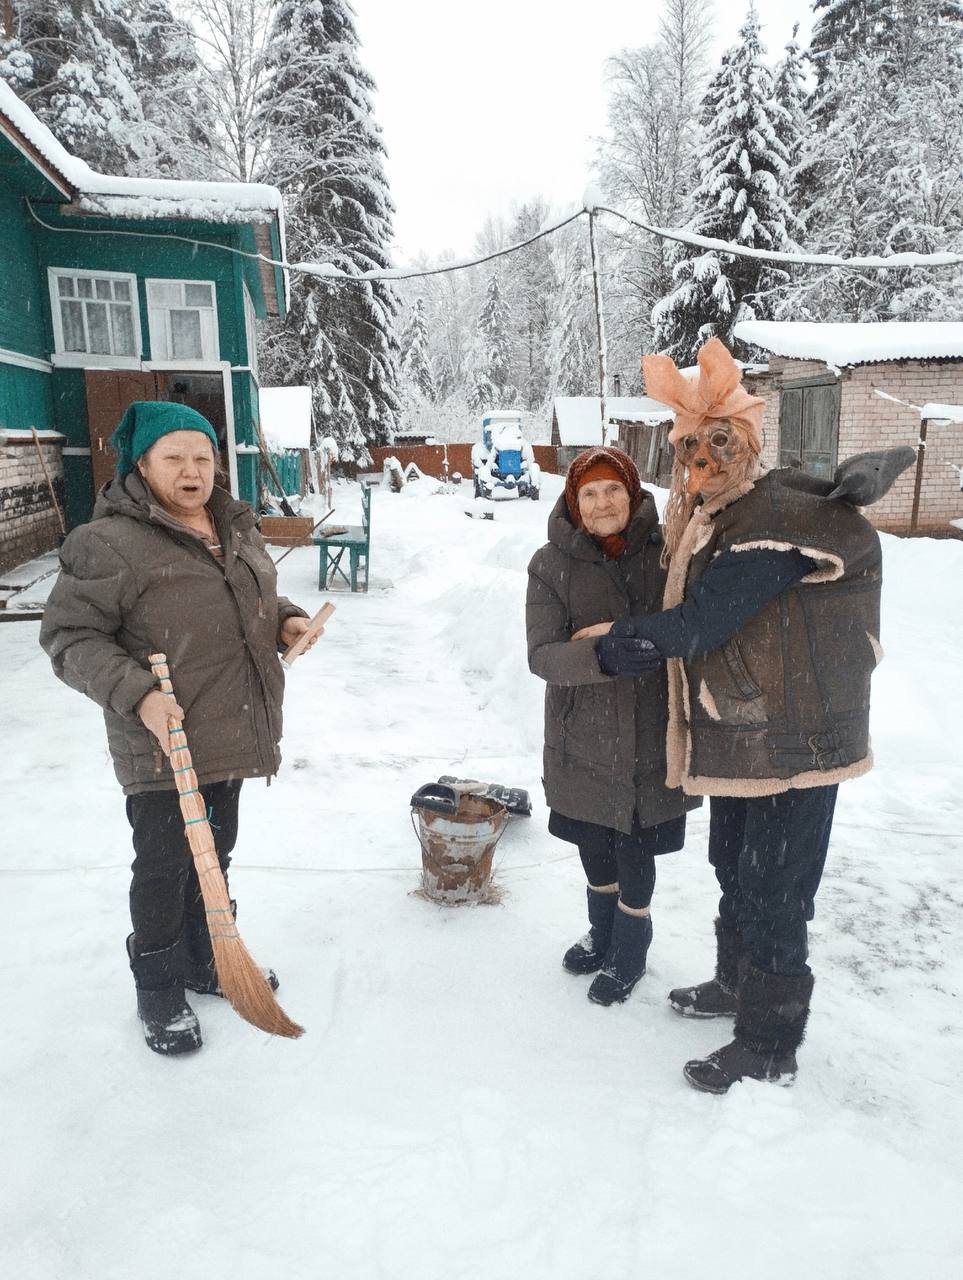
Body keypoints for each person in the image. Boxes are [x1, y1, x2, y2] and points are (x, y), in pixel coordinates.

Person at [582, 338, 911, 1091]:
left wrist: (615, 639)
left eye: (717, 445)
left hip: (795, 743)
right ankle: (734, 985)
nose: (702, 461)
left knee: (776, 891)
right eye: (690, 449)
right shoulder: (720, 514)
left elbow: (705, 619)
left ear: (748, 446)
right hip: (751, 732)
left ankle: (768, 1043)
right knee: (733, 865)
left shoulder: (778, 519)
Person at [40, 401, 319, 1057]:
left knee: (215, 854)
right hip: (160, 740)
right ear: (142, 465)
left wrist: (286, 622)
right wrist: (136, 695)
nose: (192, 470)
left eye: (202, 456)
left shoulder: (233, 525)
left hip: (233, 726)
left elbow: (251, 597)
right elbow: (68, 637)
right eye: (174, 457)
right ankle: (159, 986)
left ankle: (206, 961)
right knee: (165, 867)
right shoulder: (107, 543)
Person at [526, 446, 699, 1006]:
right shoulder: (550, 564)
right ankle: (602, 936)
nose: (602, 503)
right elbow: (543, 656)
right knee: (594, 843)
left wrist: (624, 628)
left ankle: (629, 952)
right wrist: (601, 655)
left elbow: (692, 622)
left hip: (652, 727)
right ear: (574, 503)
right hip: (583, 731)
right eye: (590, 493)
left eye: (613, 490)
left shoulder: (669, 550)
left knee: (636, 847)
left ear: (633, 493)